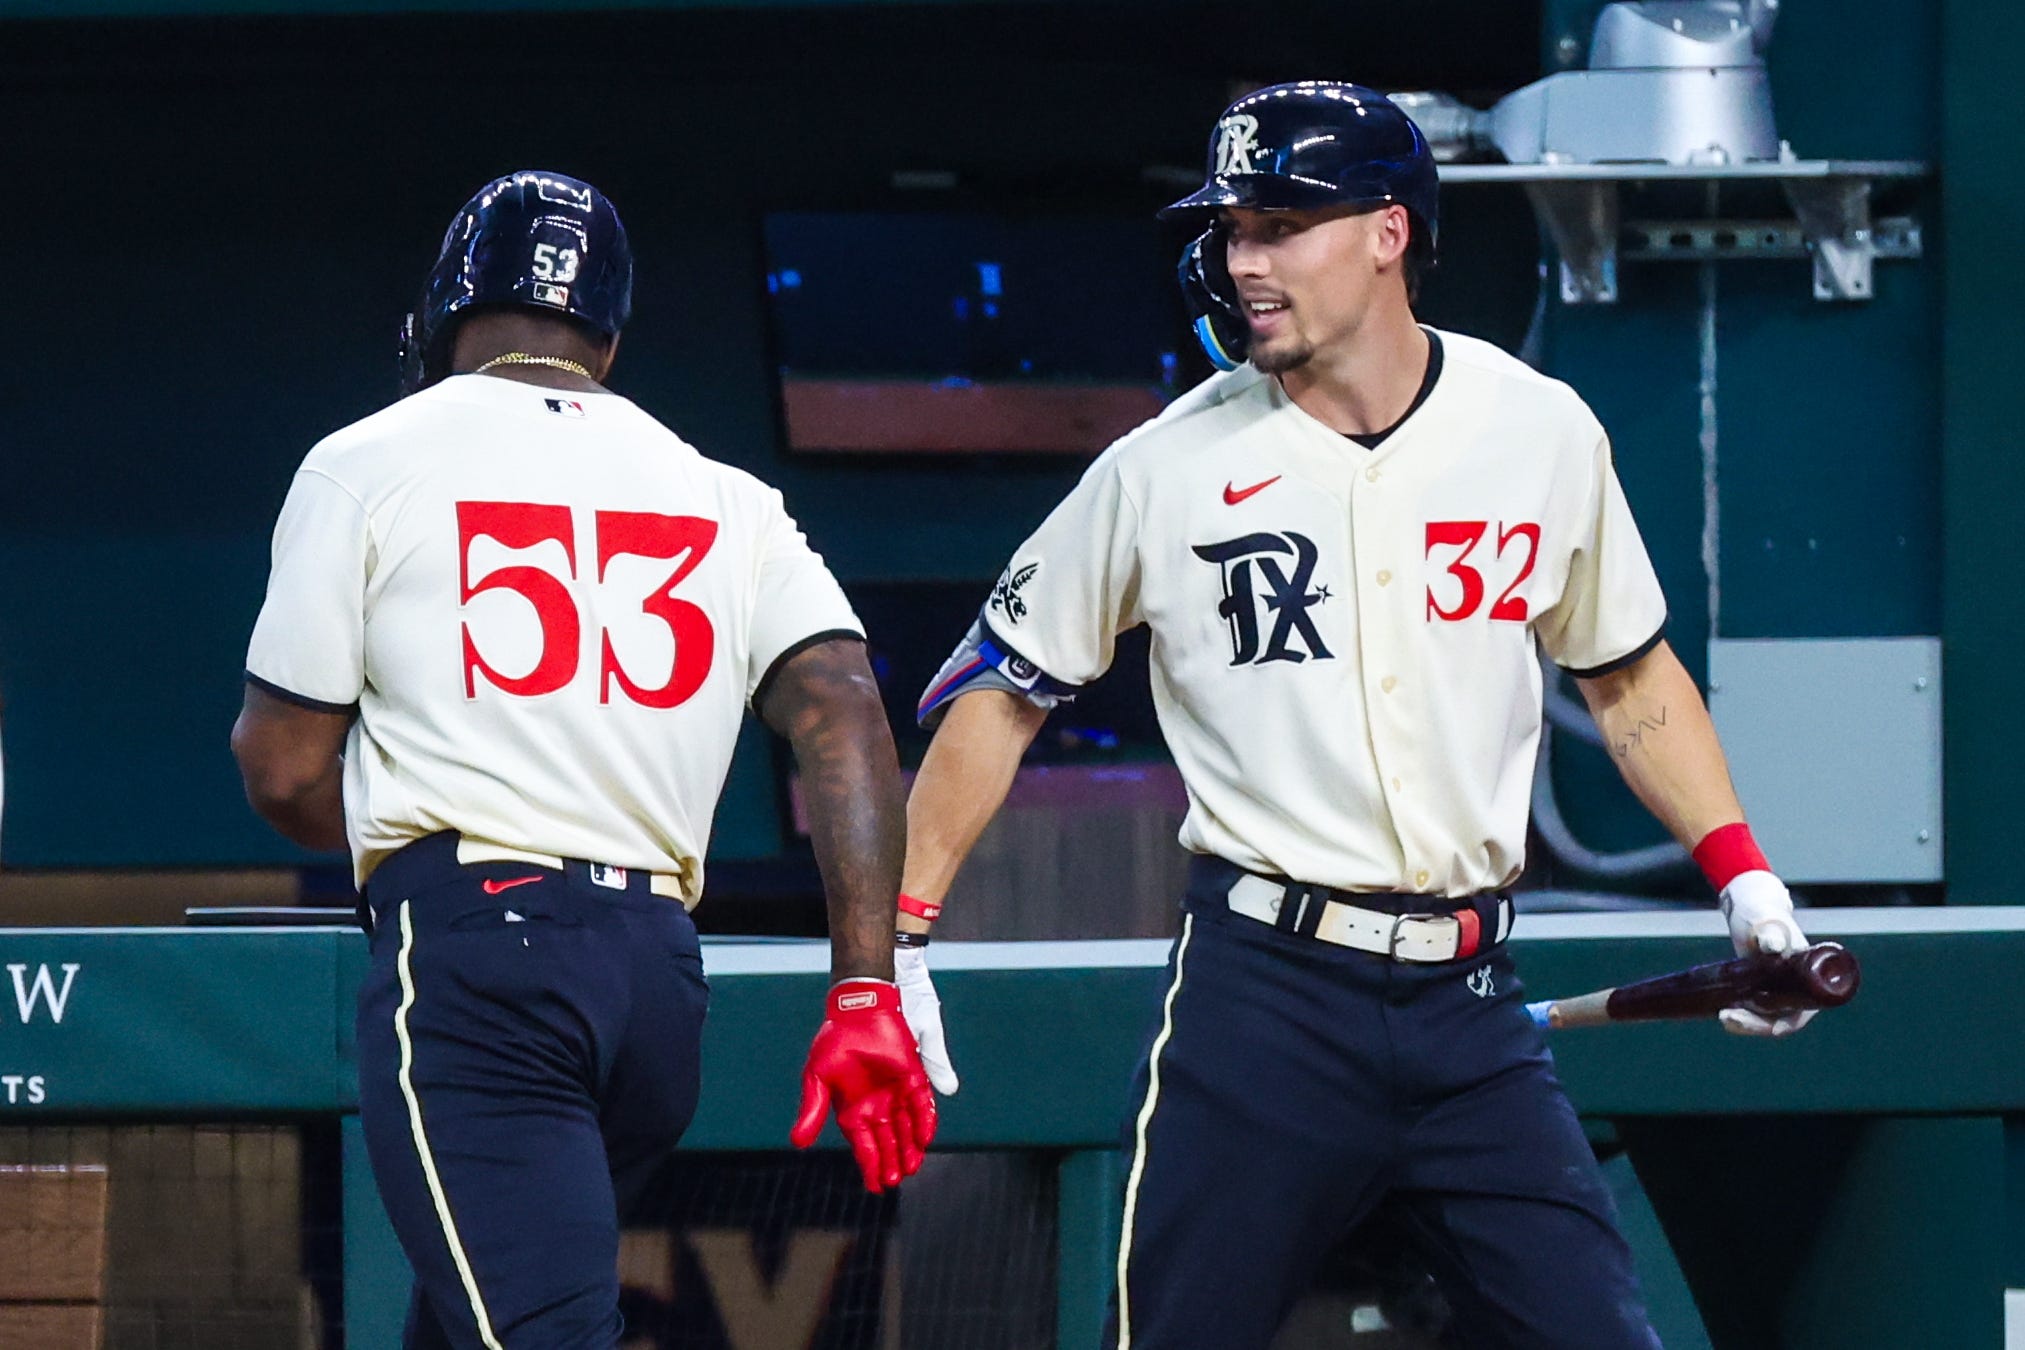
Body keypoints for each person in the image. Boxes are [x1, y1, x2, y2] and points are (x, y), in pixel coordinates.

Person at [892, 83, 1813, 1350]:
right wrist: (902, 933)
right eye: (1232, 230)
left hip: (1474, 1004)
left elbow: (1628, 677)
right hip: (1261, 1001)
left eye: (1279, 224)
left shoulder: (1536, 430)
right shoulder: (1165, 464)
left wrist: (1743, 875)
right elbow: (1001, 694)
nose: (1242, 261)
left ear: (1389, 232)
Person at [231, 170, 934, 1350]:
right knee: (477, 1315)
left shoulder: (368, 457)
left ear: (447, 315)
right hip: (657, 985)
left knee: (539, 1327)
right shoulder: (727, 492)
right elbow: (845, 711)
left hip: (480, 964)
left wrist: (416, 805)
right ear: (604, 337)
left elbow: (285, 768)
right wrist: (864, 984)